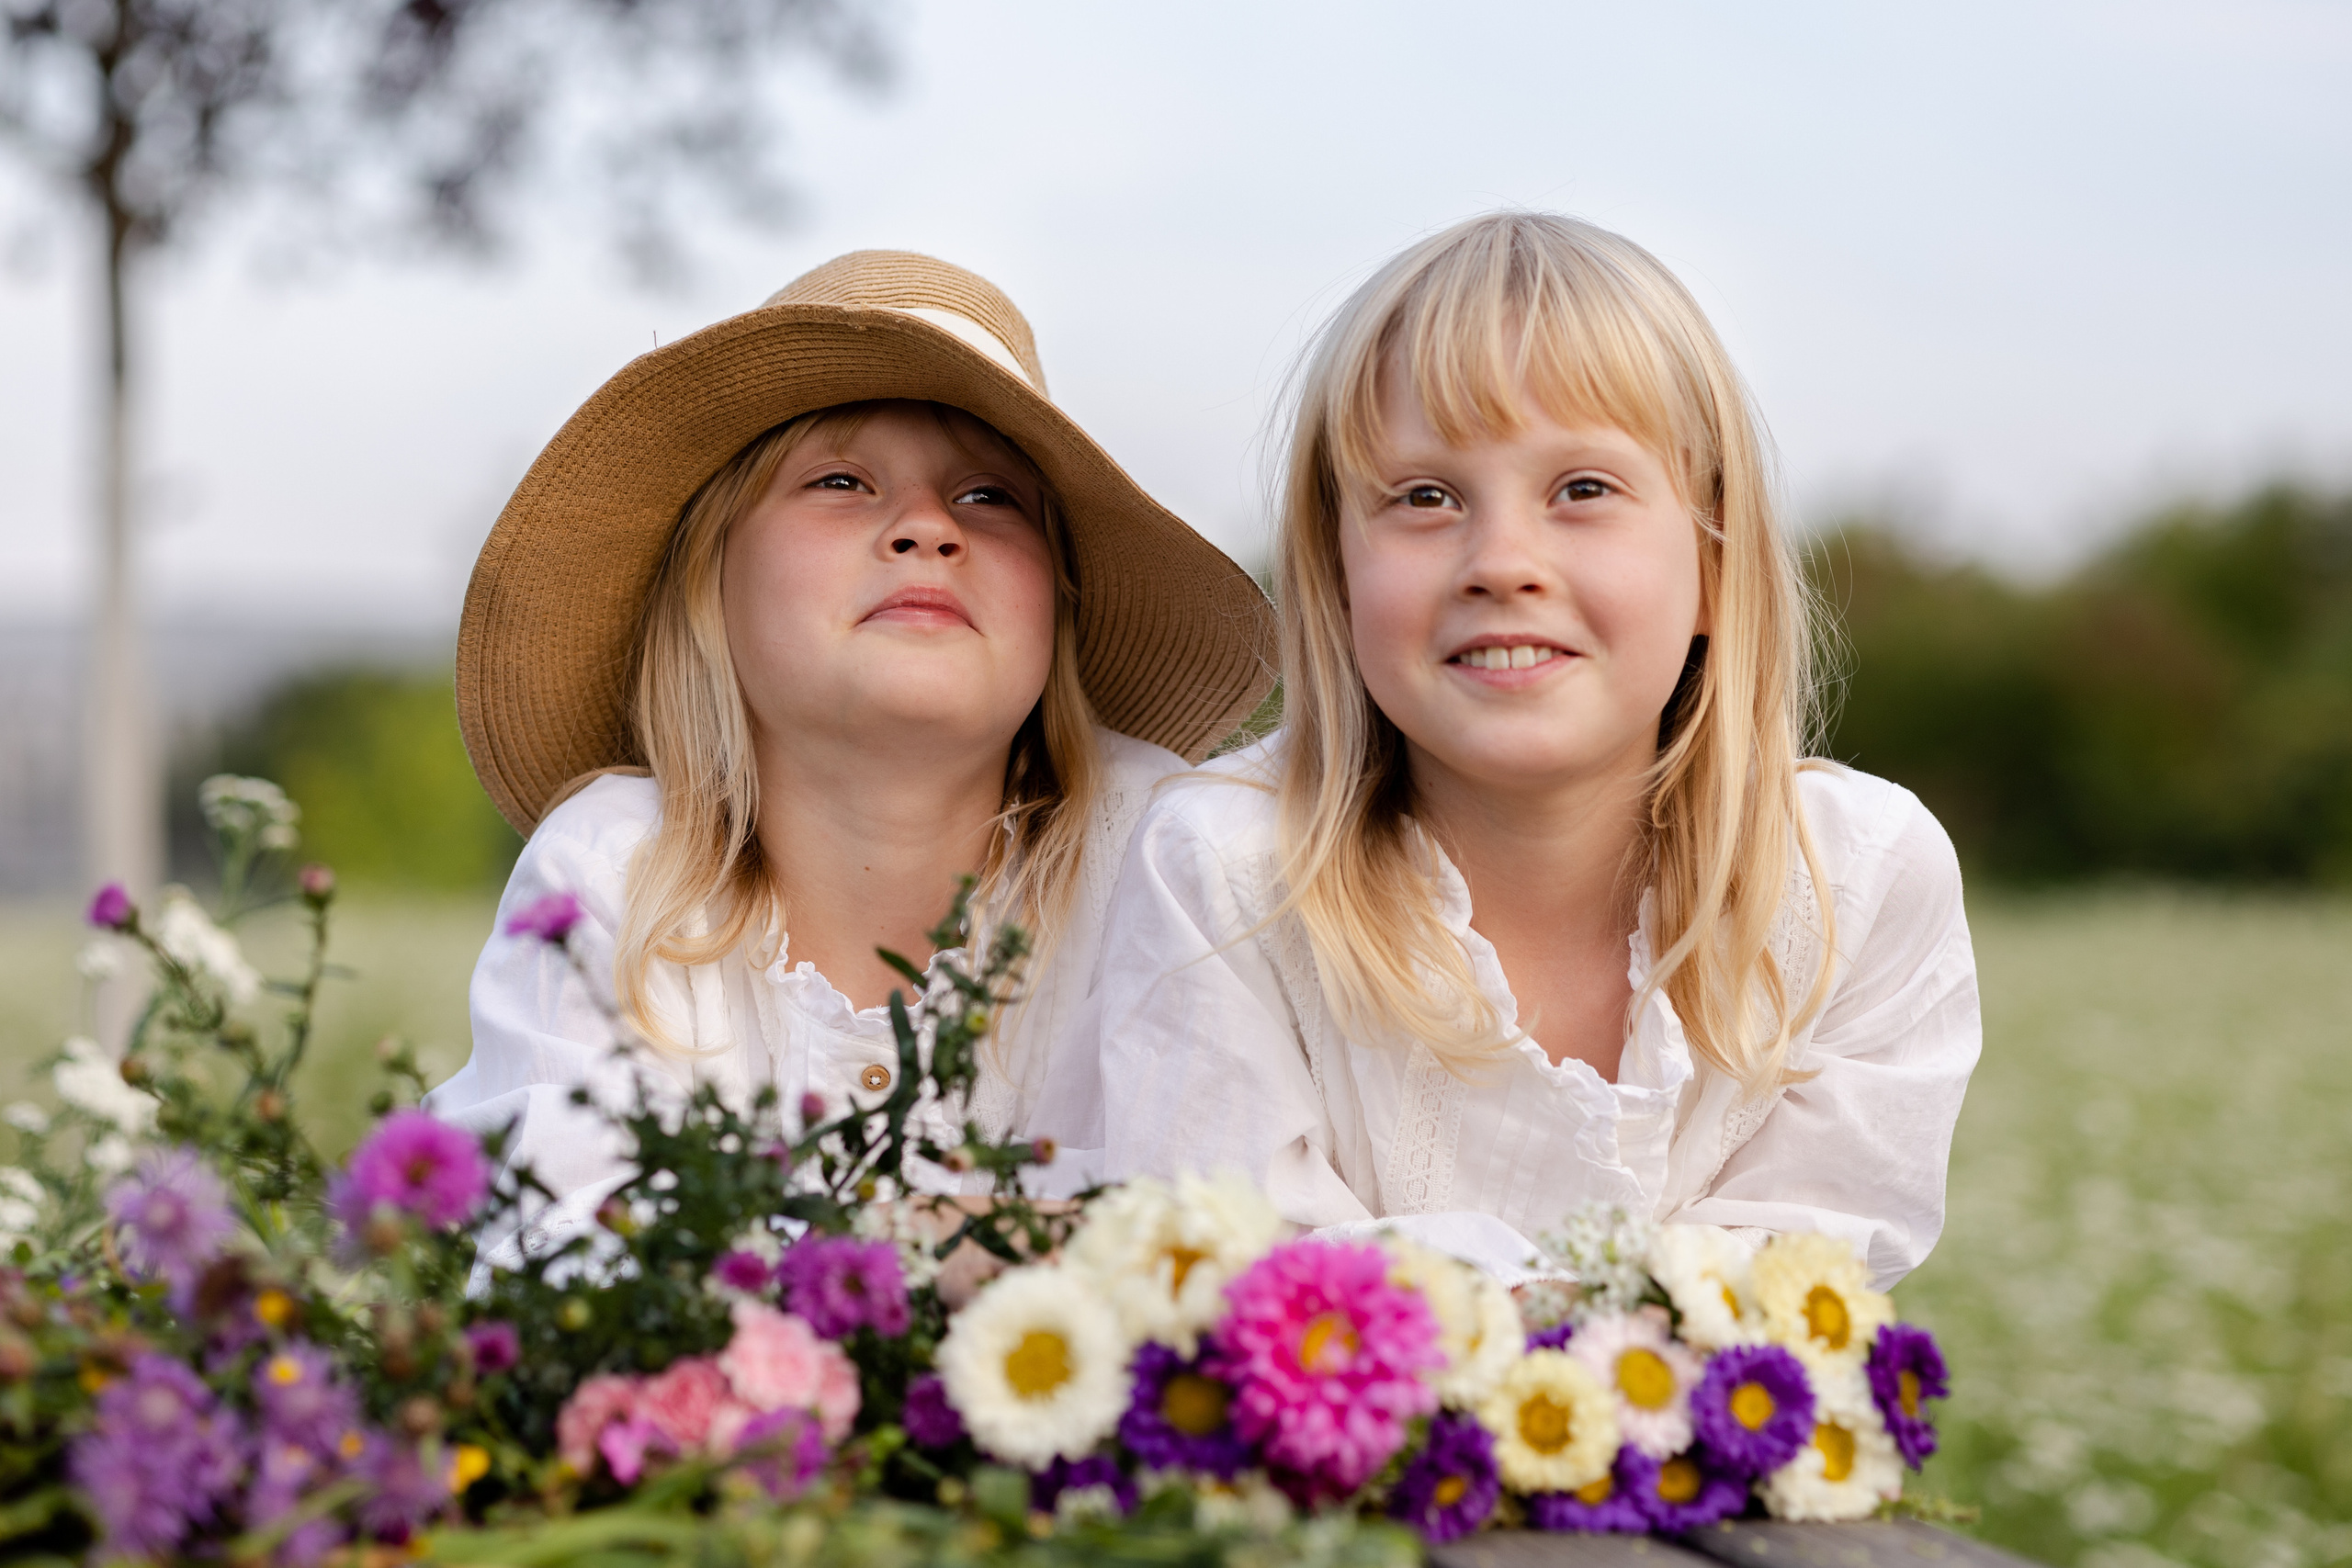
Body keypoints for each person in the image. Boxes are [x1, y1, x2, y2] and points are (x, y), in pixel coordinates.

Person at [1094, 213, 1978, 1290]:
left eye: (1582, 491)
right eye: (1424, 497)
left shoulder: (1856, 879)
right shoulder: (1225, 873)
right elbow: (1247, 1297)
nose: (1501, 562)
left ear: (1713, 558)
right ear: (1334, 577)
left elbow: (1785, 1319)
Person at [426, 252, 1274, 1266]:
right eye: (839, 481)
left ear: (1058, 604)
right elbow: (559, 1258)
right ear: (714, 583)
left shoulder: (1174, 858)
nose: (925, 527)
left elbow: (1246, 1241)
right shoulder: (615, 869)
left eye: (992, 497)